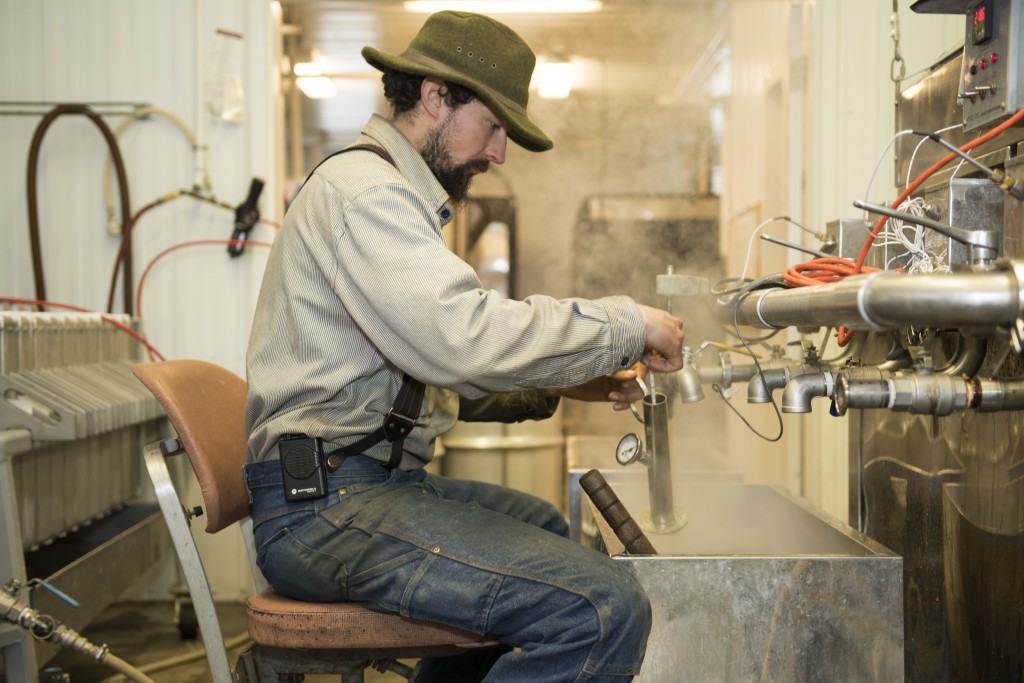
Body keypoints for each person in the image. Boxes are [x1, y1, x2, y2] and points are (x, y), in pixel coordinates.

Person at [244, 10, 686, 682]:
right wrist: (627, 322)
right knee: (603, 608)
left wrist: (559, 384)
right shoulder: (367, 196)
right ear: (436, 96)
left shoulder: (390, 197)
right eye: (496, 126)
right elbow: (462, 338)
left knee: (541, 522)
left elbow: (417, 377)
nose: (499, 152)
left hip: (360, 487)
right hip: (324, 511)